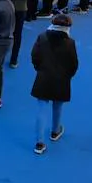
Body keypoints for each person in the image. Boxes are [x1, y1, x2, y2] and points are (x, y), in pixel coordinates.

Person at [30, 14, 79, 156]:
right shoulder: (70, 43)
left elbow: (35, 56)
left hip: (43, 77)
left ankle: (39, 143)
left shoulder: (42, 37)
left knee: (41, 109)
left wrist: (40, 69)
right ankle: (55, 131)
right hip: (61, 79)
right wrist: (67, 76)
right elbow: (74, 64)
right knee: (58, 106)